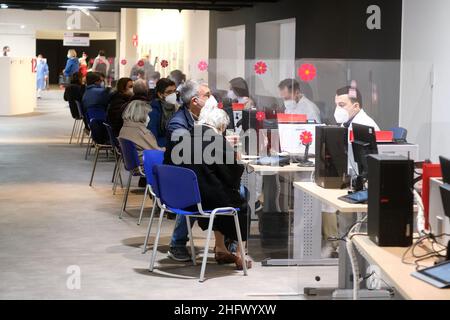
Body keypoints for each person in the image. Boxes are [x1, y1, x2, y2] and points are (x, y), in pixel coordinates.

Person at [165, 106, 251, 269]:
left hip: (179, 198)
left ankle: (220, 247)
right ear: (221, 127)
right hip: (205, 200)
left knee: (223, 192)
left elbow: (168, 163)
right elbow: (234, 173)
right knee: (241, 198)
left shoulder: (183, 136)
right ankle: (241, 254)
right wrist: (235, 155)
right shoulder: (217, 140)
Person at [321, 85, 381, 258]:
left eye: (342, 105)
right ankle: (337, 243)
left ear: (356, 106)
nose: (337, 109)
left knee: (331, 203)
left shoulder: (366, 125)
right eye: (336, 104)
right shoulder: (346, 123)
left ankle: (338, 244)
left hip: (362, 180)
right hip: (350, 176)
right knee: (327, 200)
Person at [164, 80, 219, 261]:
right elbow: (188, 155)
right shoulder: (177, 124)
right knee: (200, 191)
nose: (213, 99)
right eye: (208, 95)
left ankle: (227, 245)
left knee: (237, 190)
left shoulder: (204, 119)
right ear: (195, 101)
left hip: (200, 174)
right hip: (179, 179)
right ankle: (177, 243)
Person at [147, 78, 177, 148]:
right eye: (169, 92)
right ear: (160, 94)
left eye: (174, 91)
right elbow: (153, 138)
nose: (173, 95)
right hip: (161, 149)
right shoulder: (153, 111)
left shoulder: (176, 108)